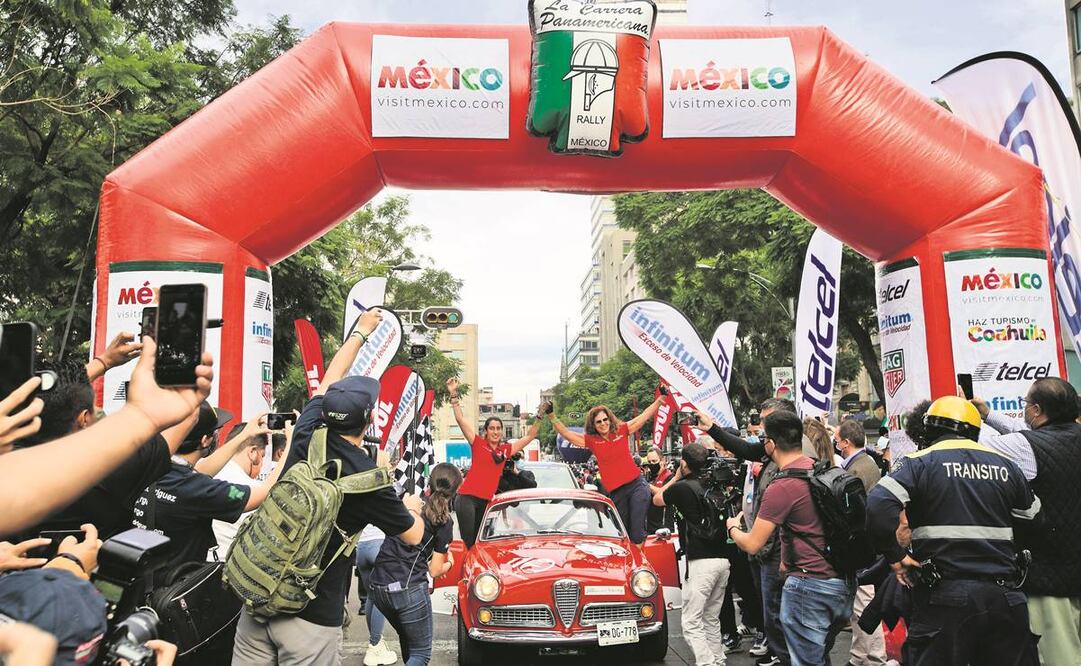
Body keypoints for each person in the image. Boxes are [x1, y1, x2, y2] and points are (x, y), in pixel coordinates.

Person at [232, 308, 424, 665]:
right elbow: (412, 536)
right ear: (368, 420)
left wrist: (360, 332)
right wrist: (411, 505)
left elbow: (329, 378)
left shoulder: (307, 429)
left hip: (257, 594)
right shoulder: (368, 478)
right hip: (311, 615)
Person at [866, 396, 1041, 665]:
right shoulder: (1008, 466)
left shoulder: (919, 462)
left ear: (930, 430)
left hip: (945, 598)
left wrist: (896, 557)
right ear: (973, 429)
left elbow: (878, 505)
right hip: (1004, 596)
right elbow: (1034, 520)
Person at [0, 337, 214, 537]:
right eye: (94, 408)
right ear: (84, 419)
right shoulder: (118, 467)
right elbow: (189, 412)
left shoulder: (10, 458)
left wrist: (104, 361)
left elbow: (55, 394)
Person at [725, 410, 856, 666]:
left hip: (809, 587)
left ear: (771, 444)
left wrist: (732, 528)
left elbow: (753, 544)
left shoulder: (782, 486)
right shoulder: (822, 471)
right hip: (841, 584)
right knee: (818, 657)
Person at [971, 377, 1081, 666]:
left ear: (1035, 409)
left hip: (1050, 579)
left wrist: (967, 418)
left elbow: (977, 450)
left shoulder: (1023, 446)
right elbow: (1033, 436)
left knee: (1061, 657)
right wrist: (988, 414)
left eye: (1025, 406)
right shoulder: (1050, 439)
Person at [132, 405, 284, 574]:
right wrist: (291, 442)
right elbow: (263, 493)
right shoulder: (195, 488)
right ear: (205, 440)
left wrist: (245, 435)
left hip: (142, 581)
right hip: (175, 590)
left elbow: (200, 470)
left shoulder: (153, 469)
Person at [369, 463, 463, 666]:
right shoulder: (443, 521)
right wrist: (449, 564)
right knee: (421, 654)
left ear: (430, 482)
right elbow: (435, 570)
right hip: (407, 588)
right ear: (456, 491)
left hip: (378, 586)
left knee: (409, 642)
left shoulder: (409, 506)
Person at [651, 442, 731, 666]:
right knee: (711, 618)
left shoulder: (681, 487)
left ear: (684, 463)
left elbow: (657, 499)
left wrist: (676, 477)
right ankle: (718, 659)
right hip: (723, 560)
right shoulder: (714, 485)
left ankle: (707, 663)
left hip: (701, 562)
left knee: (691, 622)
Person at [548, 394, 664, 545]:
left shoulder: (621, 430)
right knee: (622, 534)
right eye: (598, 422)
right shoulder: (592, 440)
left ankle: (637, 564)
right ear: (593, 425)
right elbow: (567, 434)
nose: (603, 424)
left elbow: (642, 417)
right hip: (616, 492)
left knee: (637, 533)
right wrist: (551, 415)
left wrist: (660, 400)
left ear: (609, 419)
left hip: (636, 485)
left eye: (605, 419)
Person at [446, 377, 542, 548]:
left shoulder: (505, 450)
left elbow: (530, 436)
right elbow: (460, 420)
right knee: (469, 544)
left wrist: (540, 415)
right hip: (467, 499)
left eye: (498, 428)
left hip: (486, 502)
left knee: (481, 543)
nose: (495, 431)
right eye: (492, 428)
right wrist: (453, 394)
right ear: (486, 431)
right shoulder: (478, 443)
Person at [834, 420, 889, 666]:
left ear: (846, 442)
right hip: (867, 546)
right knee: (862, 605)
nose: (835, 442)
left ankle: (872, 659)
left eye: (837, 439)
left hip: (864, 547)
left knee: (863, 605)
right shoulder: (864, 463)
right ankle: (864, 657)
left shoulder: (858, 469)